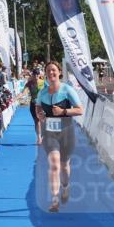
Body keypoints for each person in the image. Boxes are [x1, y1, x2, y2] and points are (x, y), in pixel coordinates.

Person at [35, 62, 84, 213]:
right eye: (48, 70)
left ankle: (65, 187)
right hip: (49, 132)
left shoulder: (67, 90)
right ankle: (54, 201)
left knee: (64, 165)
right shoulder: (42, 93)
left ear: (59, 73)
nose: (51, 73)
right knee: (54, 164)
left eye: (54, 70)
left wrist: (63, 112)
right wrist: (40, 114)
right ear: (45, 74)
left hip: (66, 132)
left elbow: (80, 110)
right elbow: (37, 107)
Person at [26, 68, 44, 145]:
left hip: (42, 104)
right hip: (33, 104)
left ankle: (44, 135)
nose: (36, 76)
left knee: (42, 121)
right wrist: (15, 98)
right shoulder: (29, 83)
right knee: (36, 121)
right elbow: (23, 92)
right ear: (32, 75)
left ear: (39, 75)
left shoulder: (43, 83)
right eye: (35, 74)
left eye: (37, 74)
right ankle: (39, 137)